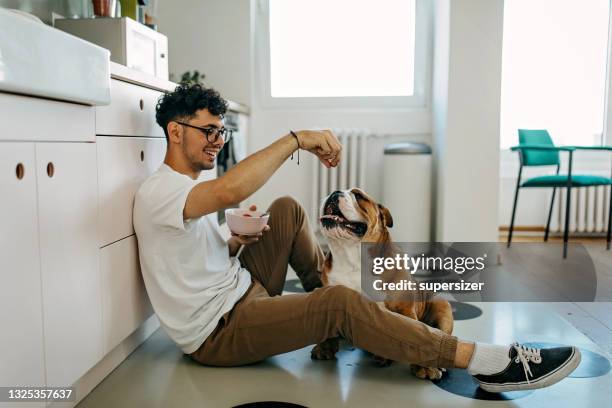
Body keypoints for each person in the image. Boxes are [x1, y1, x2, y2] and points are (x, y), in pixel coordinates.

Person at [133, 84, 580, 393]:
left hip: (241, 292)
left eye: (221, 131)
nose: (217, 141)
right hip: (220, 332)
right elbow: (230, 189)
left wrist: (234, 241)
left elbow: (198, 254)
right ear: (176, 131)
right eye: (208, 131)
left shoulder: (185, 193)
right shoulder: (160, 192)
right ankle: (490, 362)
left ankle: (329, 311)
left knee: (288, 208)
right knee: (343, 305)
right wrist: (296, 140)